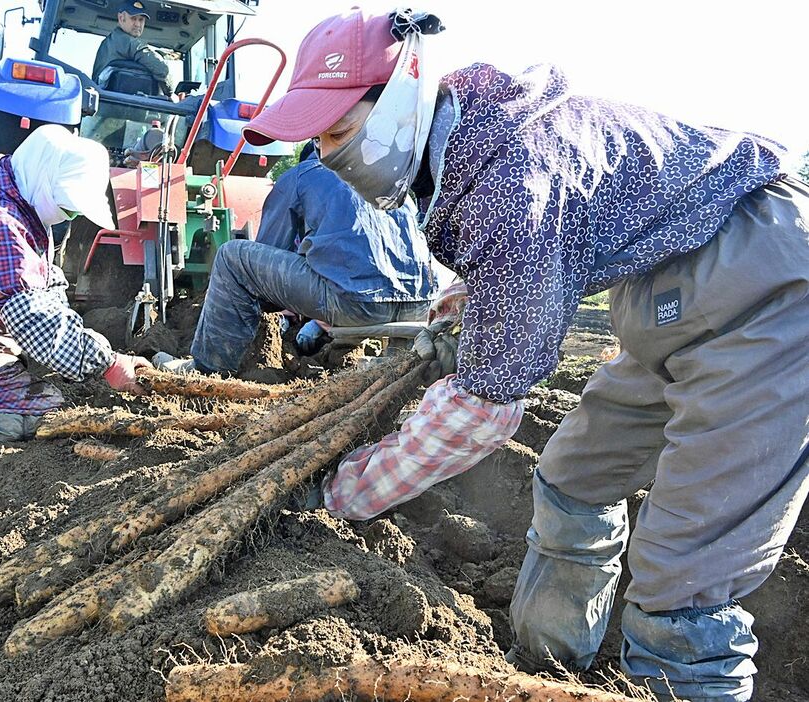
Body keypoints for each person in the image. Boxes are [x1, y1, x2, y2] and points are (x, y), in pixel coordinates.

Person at [240, 8, 809, 701]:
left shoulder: (509, 178)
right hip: (661, 293)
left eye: (338, 130)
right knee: (572, 480)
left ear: (401, 98)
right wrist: (479, 293)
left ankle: (682, 679)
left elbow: (483, 410)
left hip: (767, 288)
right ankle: (546, 672)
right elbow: (554, 232)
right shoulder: (474, 140)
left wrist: (335, 501)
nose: (330, 155)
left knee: (682, 576)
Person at [0, 125, 151, 477]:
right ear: (44, 179)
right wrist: (108, 363)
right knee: (46, 411)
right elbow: (31, 314)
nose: (67, 216)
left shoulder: (20, 214)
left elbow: (50, 295)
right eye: (66, 207)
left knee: (59, 387)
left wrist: (92, 353)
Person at [154, 139, 436, 376]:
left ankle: (205, 370)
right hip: (421, 308)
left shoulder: (303, 174)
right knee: (387, 369)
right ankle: (391, 374)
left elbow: (264, 266)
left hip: (354, 304)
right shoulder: (388, 180)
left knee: (232, 257)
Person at [91, 1, 176, 99]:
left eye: (141, 20)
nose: (137, 24)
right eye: (133, 18)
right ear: (121, 18)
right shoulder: (127, 42)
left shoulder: (110, 42)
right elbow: (162, 70)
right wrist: (171, 93)